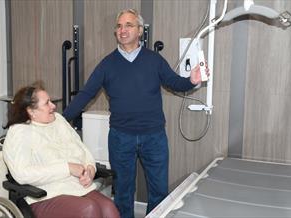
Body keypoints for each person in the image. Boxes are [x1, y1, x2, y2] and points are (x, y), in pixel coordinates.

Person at [63, 9, 208, 218]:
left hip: (154, 137)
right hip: (121, 138)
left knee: (159, 192)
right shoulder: (107, 64)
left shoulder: (154, 60)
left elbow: (175, 82)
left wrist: (191, 80)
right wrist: (61, 118)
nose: (123, 30)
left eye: (129, 25)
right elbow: (86, 94)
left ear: (139, 30)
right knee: (123, 194)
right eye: (119, 26)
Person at [2, 81, 120, 218]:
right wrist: (67, 168)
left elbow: (82, 150)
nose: (53, 106)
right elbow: (22, 174)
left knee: (109, 208)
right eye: (47, 103)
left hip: (76, 187)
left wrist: (90, 169)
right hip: (43, 195)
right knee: (89, 209)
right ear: (31, 111)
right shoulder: (19, 132)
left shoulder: (58, 120)